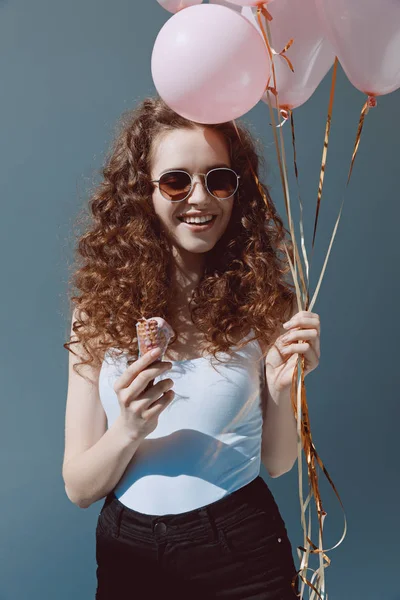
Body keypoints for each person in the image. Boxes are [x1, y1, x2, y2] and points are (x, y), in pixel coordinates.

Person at [62, 96, 317, 599]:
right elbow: (79, 487)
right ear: (144, 192)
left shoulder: (267, 303)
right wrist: (130, 429)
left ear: (236, 191)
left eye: (218, 179)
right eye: (176, 180)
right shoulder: (96, 314)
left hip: (241, 550)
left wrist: (281, 386)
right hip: (130, 554)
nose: (200, 198)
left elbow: (279, 460)